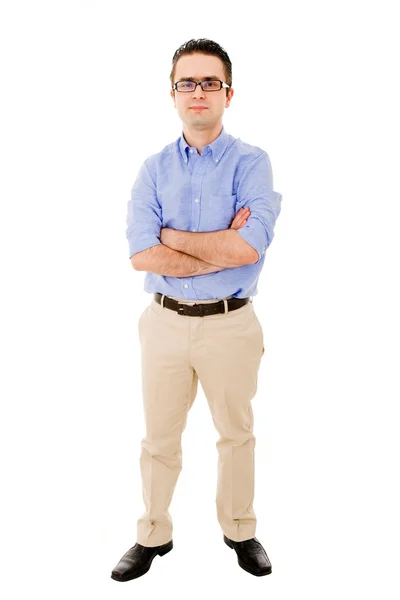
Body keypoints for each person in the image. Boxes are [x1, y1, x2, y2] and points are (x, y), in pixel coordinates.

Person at [111, 38, 282, 581]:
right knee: (158, 437)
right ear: (173, 94)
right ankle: (152, 535)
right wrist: (211, 245)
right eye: (188, 82)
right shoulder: (153, 169)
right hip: (162, 324)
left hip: (231, 324)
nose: (199, 92)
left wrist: (172, 237)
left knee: (236, 433)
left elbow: (247, 249)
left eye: (210, 82)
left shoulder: (254, 164)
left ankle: (240, 529)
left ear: (228, 94)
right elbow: (142, 254)